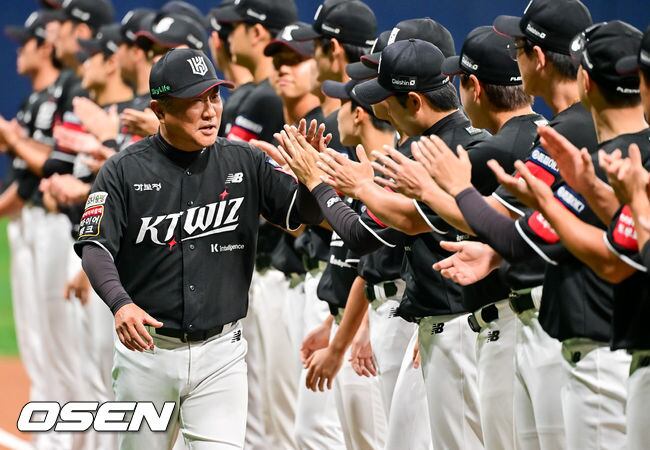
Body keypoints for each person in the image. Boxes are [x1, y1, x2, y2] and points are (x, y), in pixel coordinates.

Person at [75, 48, 323, 450]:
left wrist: (313, 179)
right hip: (148, 356)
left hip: (221, 356)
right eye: (195, 100)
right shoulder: (122, 171)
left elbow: (302, 213)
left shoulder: (245, 161)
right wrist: (120, 304)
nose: (210, 112)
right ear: (160, 110)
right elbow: (94, 246)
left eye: (214, 96)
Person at [284, 37, 490, 449]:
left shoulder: (435, 150)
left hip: (457, 326)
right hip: (441, 322)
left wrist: (321, 183)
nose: (383, 111)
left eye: (388, 101)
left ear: (414, 101)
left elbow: (364, 237)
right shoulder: (457, 139)